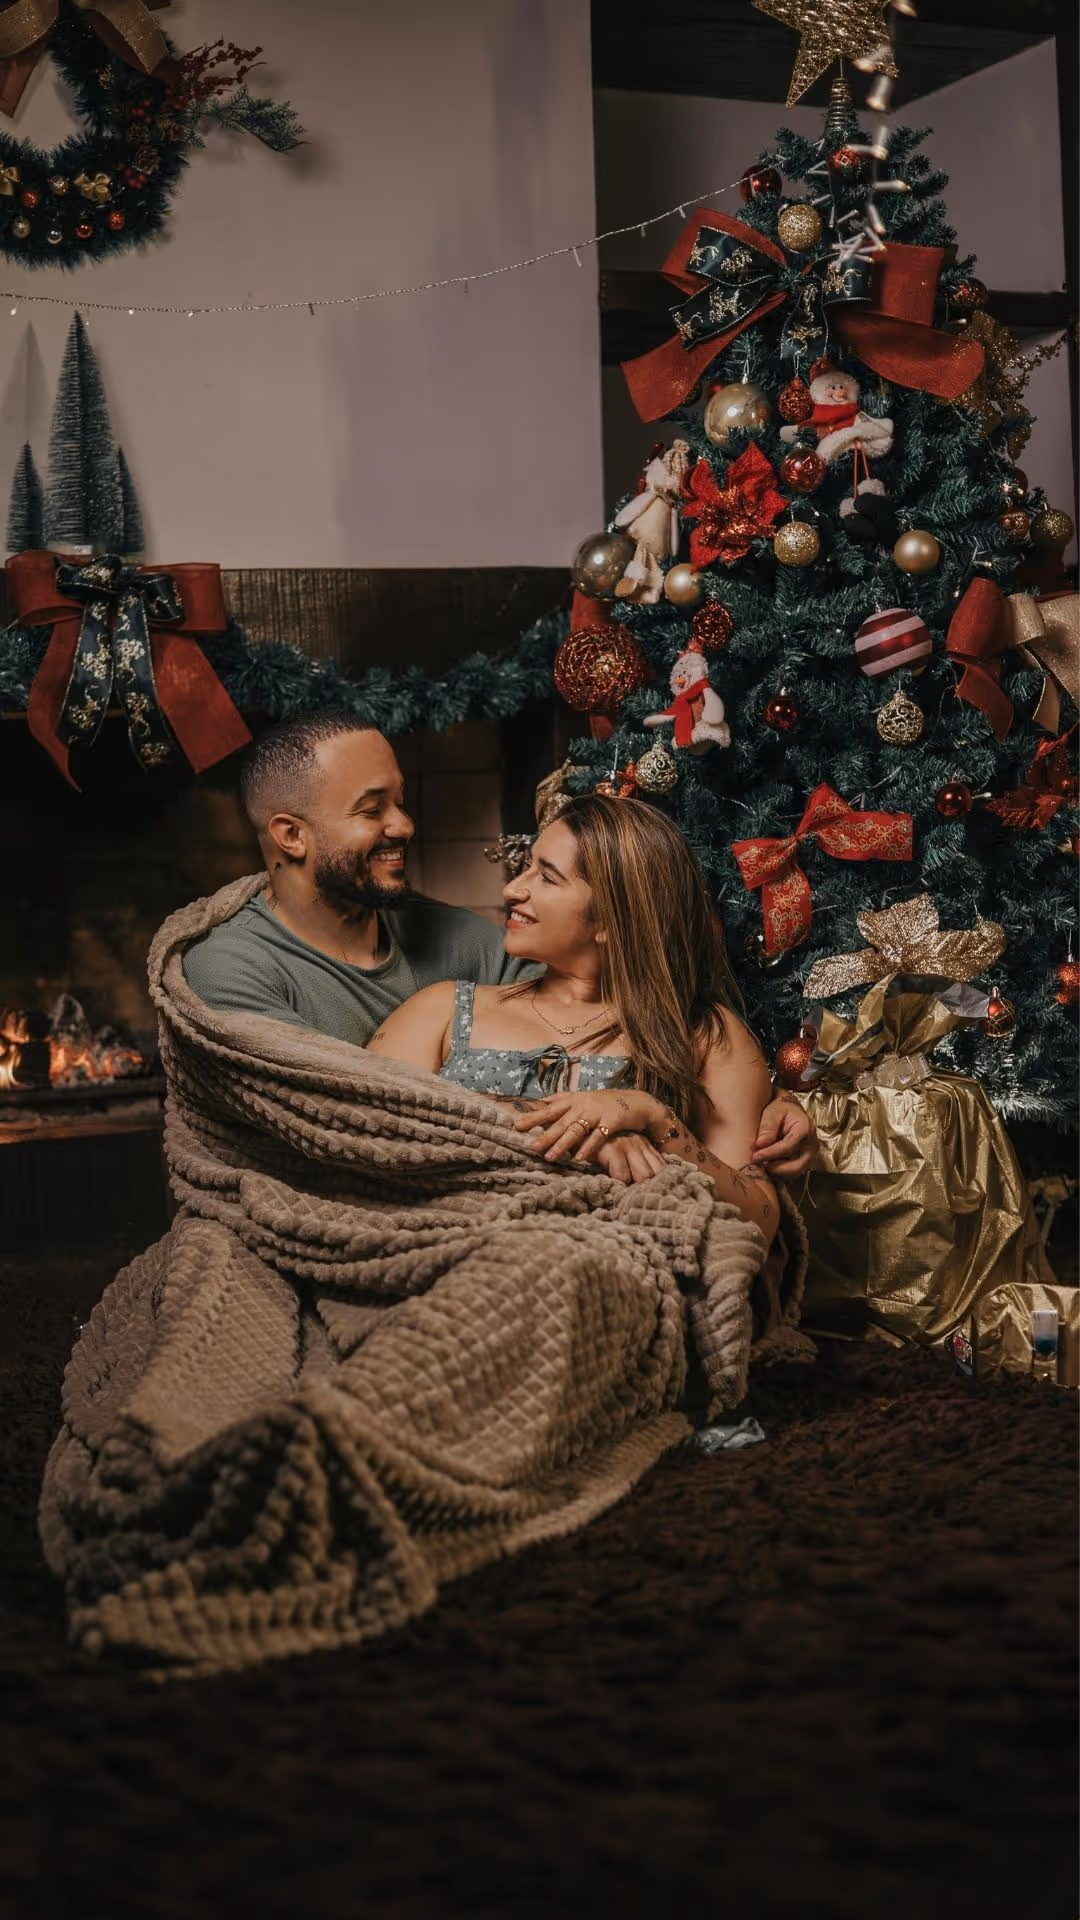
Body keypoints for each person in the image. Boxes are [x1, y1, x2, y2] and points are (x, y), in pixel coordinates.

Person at [183, 714, 815, 1184]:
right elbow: (325, 1112)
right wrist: (583, 1128)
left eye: (401, 801)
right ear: (291, 836)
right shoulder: (231, 969)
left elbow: (603, 998)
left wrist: (760, 1101)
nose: (404, 825)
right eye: (372, 810)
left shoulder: (463, 942)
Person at [367, 793, 787, 1243]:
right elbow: (361, 1125)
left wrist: (655, 1120)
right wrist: (578, 1127)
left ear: (610, 918)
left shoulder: (708, 1036)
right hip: (445, 1244)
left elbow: (761, 1220)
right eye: (526, 866)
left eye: (547, 877)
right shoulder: (442, 1011)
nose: (512, 889)